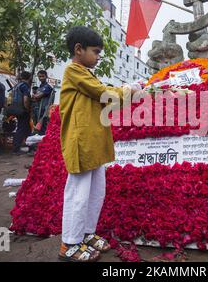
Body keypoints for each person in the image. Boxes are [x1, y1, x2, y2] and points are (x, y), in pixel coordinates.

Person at [58, 26, 140, 262]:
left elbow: (105, 101)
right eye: (95, 52)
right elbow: (102, 93)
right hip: (81, 143)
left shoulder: (86, 73)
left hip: (94, 142)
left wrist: (132, 93)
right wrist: (128, 89)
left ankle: (86, 234)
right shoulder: (74, 71)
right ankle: (69, 244)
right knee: (78, 195)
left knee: (95, 193)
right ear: (78, 49)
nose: (98, 56)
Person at [10, 71, 32, 154]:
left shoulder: (17, 85)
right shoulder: (25, 86)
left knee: (27, 129)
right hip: (23, 110)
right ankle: (16, 149)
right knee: (21, 128)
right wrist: (27, 109)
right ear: (29, 77)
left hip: (16, 109)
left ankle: (31, 146)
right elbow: (25, 100)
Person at [32, 70, 54, 135]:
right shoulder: (39, 87)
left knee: (43, 129)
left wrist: (35, 96)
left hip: (44, 111)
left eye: (42, 76)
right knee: (37, 128)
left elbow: (37, 97)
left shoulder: (48, 86)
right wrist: (35, 96)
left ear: (46, 76)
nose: (41, 78)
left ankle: (43, 143)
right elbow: (34, 98)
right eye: (39, 76)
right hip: (37, 110)